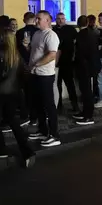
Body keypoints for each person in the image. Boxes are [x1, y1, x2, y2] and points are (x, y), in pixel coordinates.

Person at [0, 30, 35, 167]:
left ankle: (0, 148)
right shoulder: (16, 53)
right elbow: (25, 71)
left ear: (1, 38)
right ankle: (27, 151)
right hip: (14, 92)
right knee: (13, 120)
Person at [26, 10, 61, 147]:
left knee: (49, 105)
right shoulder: (37, 34)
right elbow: (35, 52)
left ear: (47, 20)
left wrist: (36, 64)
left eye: (39, 19)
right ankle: (42, 130)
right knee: (38, 104)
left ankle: (54, 135)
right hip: (35, 74)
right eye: (36, 18)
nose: (36, 21)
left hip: (45, 75)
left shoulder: (51, 35)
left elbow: (52, 55)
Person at [72, 15, 100, 125]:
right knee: (86, 91)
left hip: (84, 67)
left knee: (86, 91)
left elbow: (81, 53)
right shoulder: (92, 33)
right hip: (91, 66)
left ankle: (88, 116)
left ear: (78, 24)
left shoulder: (81, 35)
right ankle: (85, 112)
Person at [53, 12, 79, 113]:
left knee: (70, 84)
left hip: (68, 61)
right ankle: (58, 105)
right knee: (57, 84)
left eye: (62, 18)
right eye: (58, 18)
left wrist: (74, 57)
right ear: (56, 19)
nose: (60, 20)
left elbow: (76, 43)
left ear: (65, 19)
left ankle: (75, 105)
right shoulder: (53, 30)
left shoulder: (71, 29)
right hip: (56, 62)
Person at [16, 12, 39, 126]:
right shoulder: (38, 32)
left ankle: (26, 114)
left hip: (23, 64)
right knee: (35, 91)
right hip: (36, 63)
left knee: (25, 90)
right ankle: (35, 116)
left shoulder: (19, 32)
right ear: (34, 19)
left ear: (24, 19)